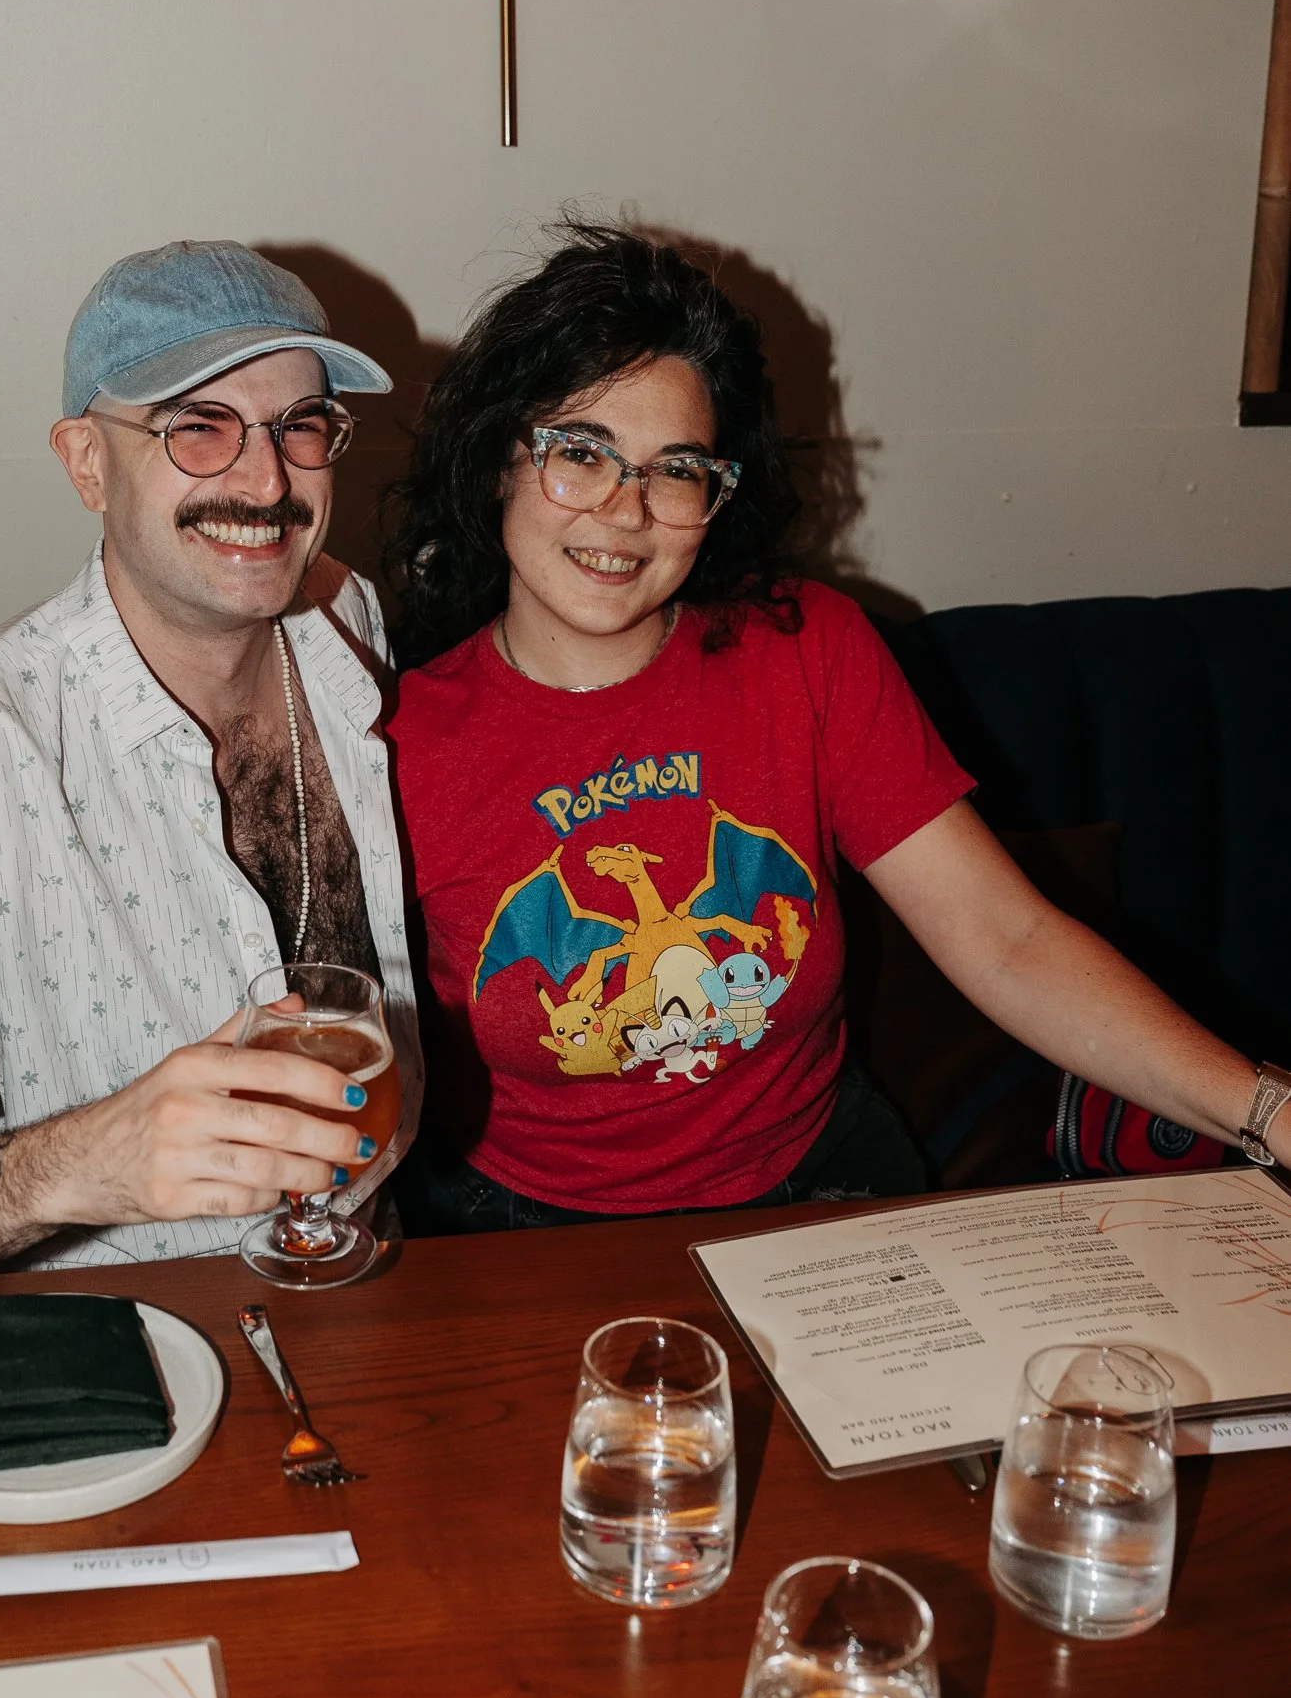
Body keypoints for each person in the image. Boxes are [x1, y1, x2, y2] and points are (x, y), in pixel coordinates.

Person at [383, 221, 1289, 1232]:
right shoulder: (393, 739)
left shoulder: (804, 650)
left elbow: (1006, 940)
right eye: (580, 453)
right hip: (522, 1223)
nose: (625, 511)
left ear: (717, 495)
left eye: (675, 469)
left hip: (819, 1184)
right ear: (497, 461)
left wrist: (1269, 1113)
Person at [0, 242, 422, 1291]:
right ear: (87, 462)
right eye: (197, 426)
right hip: (117, 1336)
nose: (265, 480)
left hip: (373, 1274)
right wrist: (75, 1163)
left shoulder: (345, 623)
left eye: (300, 424)